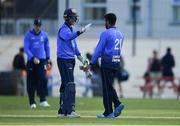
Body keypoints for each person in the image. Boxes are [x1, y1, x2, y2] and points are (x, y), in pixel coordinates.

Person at [83, 13, 124, 118]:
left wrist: (91, 63)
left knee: (107, 86)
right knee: (107, 87)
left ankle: (117, 103)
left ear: (108, 22)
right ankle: (108, 112)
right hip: (116, 62)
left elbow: (98, 50)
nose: (104, 23)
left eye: (105, 21)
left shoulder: (106, 33)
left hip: (107, 62)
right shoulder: (120, 34)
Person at [57, 8, 88, 118]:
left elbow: (75, 47)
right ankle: (70, 111)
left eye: (75, 17)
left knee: (65, 83)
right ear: (67, 18)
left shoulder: (71, 30)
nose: (75, 19)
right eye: (73, 17)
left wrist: (82, 59)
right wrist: (80, 32)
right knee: (70, 84)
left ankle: (62, 111)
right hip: (64, 60)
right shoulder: (63, 30)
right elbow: (68, 38)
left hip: (70, 60)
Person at [24, 19, 51, 109]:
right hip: (31, 61)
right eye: (36, 25)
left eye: (39, 25)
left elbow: (47, 47)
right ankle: (32, 102)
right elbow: (26, 48)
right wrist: (32, 57)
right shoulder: (28, 35)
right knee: (31, 82)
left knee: (42, 79)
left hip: (41, 61)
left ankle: (43, 100)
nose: (38, 27)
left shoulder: (44, 35)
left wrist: (48, 59)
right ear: (34, 25)